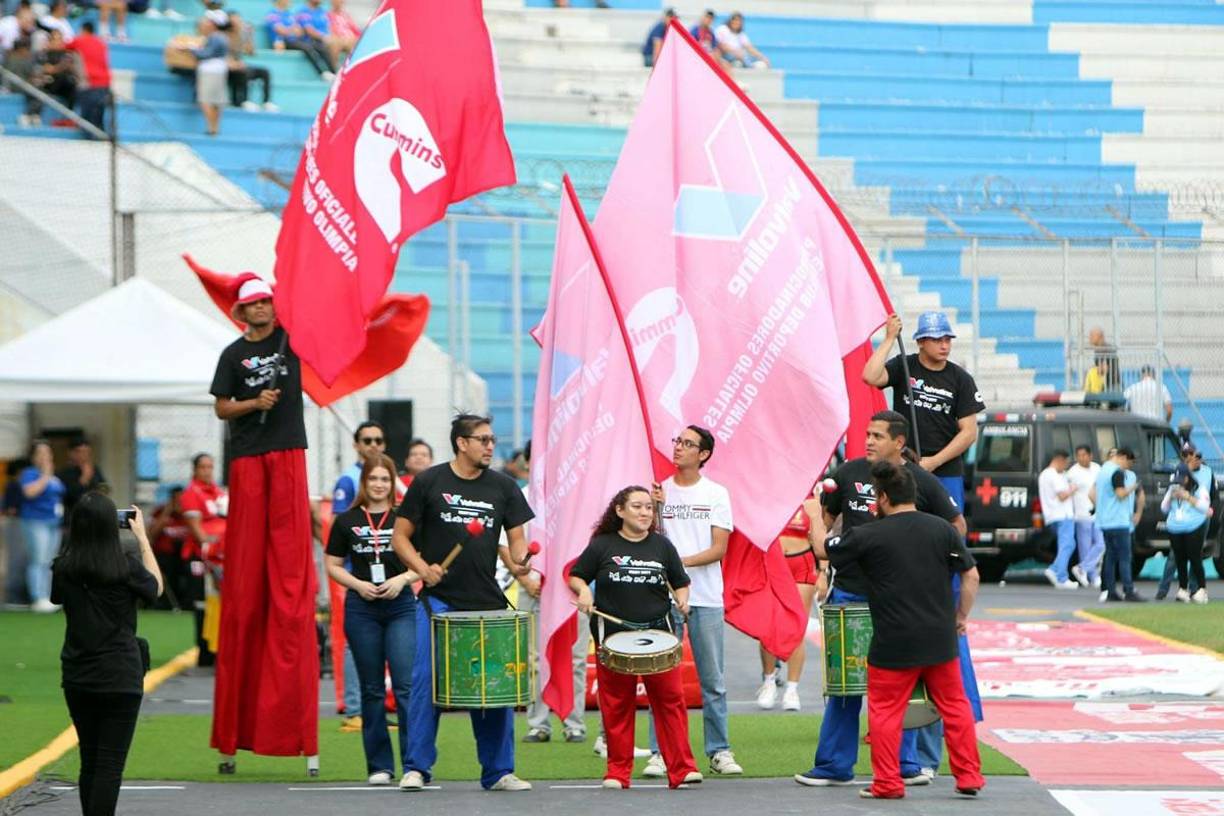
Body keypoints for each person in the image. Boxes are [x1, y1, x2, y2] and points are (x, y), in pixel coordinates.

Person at [796, 411, 964, 788]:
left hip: (897, 597)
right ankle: (833, 766)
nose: (868, 441)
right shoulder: (849, 473)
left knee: (903, 684)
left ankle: (905, 764)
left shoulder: (921, 481)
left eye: (877, 435)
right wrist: (823, 570)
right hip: (850, 590)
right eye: (867, 434)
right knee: (843, 684)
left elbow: (956, 526)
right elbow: (825, 518)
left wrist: (935, 572)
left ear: (899, 443)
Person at [390, 413, 535, 792]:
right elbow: (399, 538)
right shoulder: (429, 482)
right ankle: (417, 767)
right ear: (462, 443)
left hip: (487, 602)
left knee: (493, 689)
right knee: (424, 682)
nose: (490, 445)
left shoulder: (504, 487)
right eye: (483, 439)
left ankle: (498, 771)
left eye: (492, 439)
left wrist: (520, 558)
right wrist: (422, 568)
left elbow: (517, 539)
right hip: (438, 602)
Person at [209, 272, 318, 769]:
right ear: (241, 311)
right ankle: (235, 731)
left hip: (287, 455)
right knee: (246, 584)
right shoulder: (232, 355)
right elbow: (222, 409)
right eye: (254, 304)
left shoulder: (290, 340)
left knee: (290, 582)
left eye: (268, 301)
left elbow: (318, 315)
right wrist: (255, 402)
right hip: (249, 460)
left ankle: (291, 724)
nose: (263, 309)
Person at [569, 486, 700, 790]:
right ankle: (617, 772)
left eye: (648, 508)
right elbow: (576, 574)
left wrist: (683, 599)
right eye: (637, 507)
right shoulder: (602, 545)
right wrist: (584, 590)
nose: (644, 513)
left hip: (659, 635)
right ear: (620, 511)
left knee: (670, 701)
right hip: (614, 637)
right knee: (616, 705)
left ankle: (682, 769)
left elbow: (680, 582)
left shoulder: (662, 546)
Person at [52, 491, 163, 816]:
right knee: (109, 765)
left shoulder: (64, 567)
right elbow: (155, 587)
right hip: (119, 675)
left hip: (78, 674)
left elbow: (57, 597)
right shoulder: (124, 567)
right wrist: (142, 537)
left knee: (90, 759)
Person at [645, 425, 740, 778]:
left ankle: (719, 751)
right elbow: (649, 540)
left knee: (712, 679)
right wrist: (654, 511)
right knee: (661, 676)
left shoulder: (716, 493)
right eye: (677, 442)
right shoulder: (659, 492)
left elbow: (719, 549)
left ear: (703, 454)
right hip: (663, 599)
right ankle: (659, 752)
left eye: (688, 444)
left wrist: (678, 565)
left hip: (704, 596)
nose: (679, 448)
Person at [325, 453, 418, 787]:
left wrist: (401, 580)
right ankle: (379, 765)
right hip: (362, 608)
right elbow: (333, 564)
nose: (379, 485)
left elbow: (420, 561)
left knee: (406, 686)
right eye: (373, 479)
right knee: (372, 688)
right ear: (363, 482)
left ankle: (414, 763)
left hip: (401, 606)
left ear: (393, 483)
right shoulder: (346, 520)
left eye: (385, 479)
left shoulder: (404, 519)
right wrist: (359, 585)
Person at [863, 312, 984, 510]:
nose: (944, 346)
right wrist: (889, 339)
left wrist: (934, 461)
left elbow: (969, 432)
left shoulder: (961, 379)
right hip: (905, 467)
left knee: (951, 526)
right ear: (920, 342)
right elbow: (870, 376)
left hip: (946, 470)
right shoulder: (904, 365)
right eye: (937, 340)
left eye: (947, 340)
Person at [331, 419, 389, 729]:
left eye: (378, 440)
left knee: (388, 645)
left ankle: (377, 709)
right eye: (367, 440)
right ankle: (354, 709)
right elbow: (340, 529)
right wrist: (351, 578)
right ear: (356, 445)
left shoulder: (390, 478)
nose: (373, 446)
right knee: (356, 643)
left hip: (388, 580)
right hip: (356, 577)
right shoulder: (349, 479)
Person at [755, 503, 818, 712]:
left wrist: (825, 570)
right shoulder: (771, 495)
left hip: (802, 561)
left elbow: (820, 533)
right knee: (768, 625)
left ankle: (792, 689)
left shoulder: (812, 498)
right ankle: (769, 681)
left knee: (797, 627)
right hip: (773, 561)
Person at [180, 452, 226, 666]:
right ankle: (204, 651)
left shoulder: (218, 493)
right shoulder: (191, 494)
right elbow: (197, 530)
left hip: (220, 557)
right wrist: (211, 548)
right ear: (195, 469)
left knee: (217, 604)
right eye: (203, 467)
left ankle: (216, 647)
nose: (207, 471)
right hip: (201, 558)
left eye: (210, 466)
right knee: (201, 604)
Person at [1157, 444, 1214, 600]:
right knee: (1179, 558)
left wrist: (1188, 497)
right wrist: (1170, 497)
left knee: (1195, 557)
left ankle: (1201, 589)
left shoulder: (1199, 487)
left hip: (1194, 526)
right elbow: (1163, 508)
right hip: (1176, 527)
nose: (1180, 482)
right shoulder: (1173, 487)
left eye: (1183, 479)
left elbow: (1205, 506)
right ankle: (1183, 589)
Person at [1091, 448, 1144, 603]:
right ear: (1123, 457)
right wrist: (1132, 488)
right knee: (1124, 557)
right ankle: (1129, 590)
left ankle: (1110, 590)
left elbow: (1093, 493)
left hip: (1105, 521)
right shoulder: (1117, 472)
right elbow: (1120, 494)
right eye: (1130, 462)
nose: (1130, 466)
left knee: (1110, 557)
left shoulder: (1103, 470)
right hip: (1118, 521)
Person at [20, 439, 67, 613]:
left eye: (47, 453)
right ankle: (37, 596)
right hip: (35, 521)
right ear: (33, 457)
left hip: (53, 522)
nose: (44, 457)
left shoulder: (54, 476)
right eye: (40, 453)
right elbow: (29, 493)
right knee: (37, 559)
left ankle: (47, 596)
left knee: (49, 561)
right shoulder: (30, 473)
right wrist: (45, 475)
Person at [174, 11, 228, 136]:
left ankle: (212, 128)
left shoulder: (215, 37)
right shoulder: (221, 37)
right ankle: (214, 128)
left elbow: (206, 54)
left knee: (206, 99)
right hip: (218, 70)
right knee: (216, 100)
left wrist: (190, 49)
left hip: (210, 70)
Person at [1039, 450, 1080, 590]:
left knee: (1068, 544)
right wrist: (1072, 489)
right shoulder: (1052, 475)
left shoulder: (1045, 474)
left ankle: (1055, 569)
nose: (1066, 466)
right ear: (1059, 460)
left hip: (1053, 515)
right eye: (1066, 463)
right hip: (1062, 514)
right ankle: (1060, 576)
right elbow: (1062, 495)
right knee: (1067, 545)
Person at [1066, 445, 1105, 589]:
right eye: (1079, 455)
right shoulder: (1072, 473)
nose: (1082, 458)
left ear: (1090, 455)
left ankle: (1083, 568)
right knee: (1085, 548)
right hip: (1081, 515)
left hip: (1098, 513)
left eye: (1084, 455)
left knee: (1101, 544)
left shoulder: (1097, 469)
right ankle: (1092, 576)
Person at [147, 486, 190, 610]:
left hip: (184, 555)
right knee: (166, 564)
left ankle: (187, 602)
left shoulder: (189, 515)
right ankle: (162, 603)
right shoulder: (160, 512)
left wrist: (185, 512)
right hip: (164, 555)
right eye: (176, 499)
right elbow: (151, 535)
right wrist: (166, 512)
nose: (179, 502)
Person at [265, 0, 332, 77]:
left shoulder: (289, 14)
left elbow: (299, 31)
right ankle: (322, 73)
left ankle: (332, 71)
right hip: (283, 41)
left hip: (295, 40)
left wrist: (292, 30)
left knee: (320, 47)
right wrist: (292, 30)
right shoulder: (272, 14)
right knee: (307, 47)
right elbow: (281, 31)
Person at [66, 22, 112, 133]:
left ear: (83, 30)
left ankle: (90, 141)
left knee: (87, 120)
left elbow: (65, 46)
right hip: (105, 83)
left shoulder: (80, 40)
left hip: (90, 83)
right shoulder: (101, 43)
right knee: (98, 117)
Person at [225, 11, 276, 111]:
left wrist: (250, 36)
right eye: (235, 20)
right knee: (244, 71)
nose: (238, 22)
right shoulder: (225, 36)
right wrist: (234, 64)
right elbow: (223, 56)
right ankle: (244, 100)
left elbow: (251, 52)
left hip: (239, 65)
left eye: (239, 20)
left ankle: (266, 102)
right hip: (228, 68)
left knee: (264, 72)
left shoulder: (241, 35)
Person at [293, 0, 337, 78]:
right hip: (312, 40)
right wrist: (324, 37)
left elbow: (330, 28)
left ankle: (336, 72)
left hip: (325, 39)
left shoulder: (322, 12)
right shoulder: (303, 12)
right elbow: (309, 31)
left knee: (343, 43)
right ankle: (333, 72)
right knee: (332, 45)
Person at [1087, 327, 1120, 392]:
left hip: (1112, 386)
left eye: (1092, 336)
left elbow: (1104, 368)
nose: (1090, 338)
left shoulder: (1105, 349)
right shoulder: (1099, 349)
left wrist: (1093, 371)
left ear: (1100, 336)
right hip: (1107, 385)